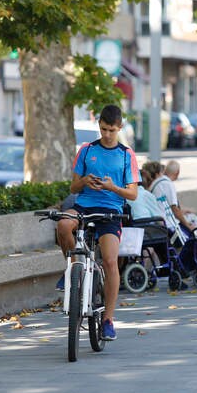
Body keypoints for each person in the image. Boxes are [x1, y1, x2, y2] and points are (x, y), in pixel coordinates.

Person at [56, 104, 139, 341]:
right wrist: (84, 181)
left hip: (111, 210)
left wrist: (113, 187)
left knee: (111, 260)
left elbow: (133, 194)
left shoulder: (126, 154)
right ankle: (71, 266)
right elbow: (73, 187)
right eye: (103, 129)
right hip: (85, 204)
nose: (107, 134)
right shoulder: (86, 149)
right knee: (63, 225)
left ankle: (108, 320)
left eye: (112, 130)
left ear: (119, 128)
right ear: (99, 125)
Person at [148, 160, 197, 234]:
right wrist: (189, 226)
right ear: (177, 172)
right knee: (194, 219)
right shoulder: (168, 184)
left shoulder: (157, 183)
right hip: (169, 225)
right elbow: (174, 210)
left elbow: (163, 206)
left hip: (158, 223)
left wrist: (182, 211)